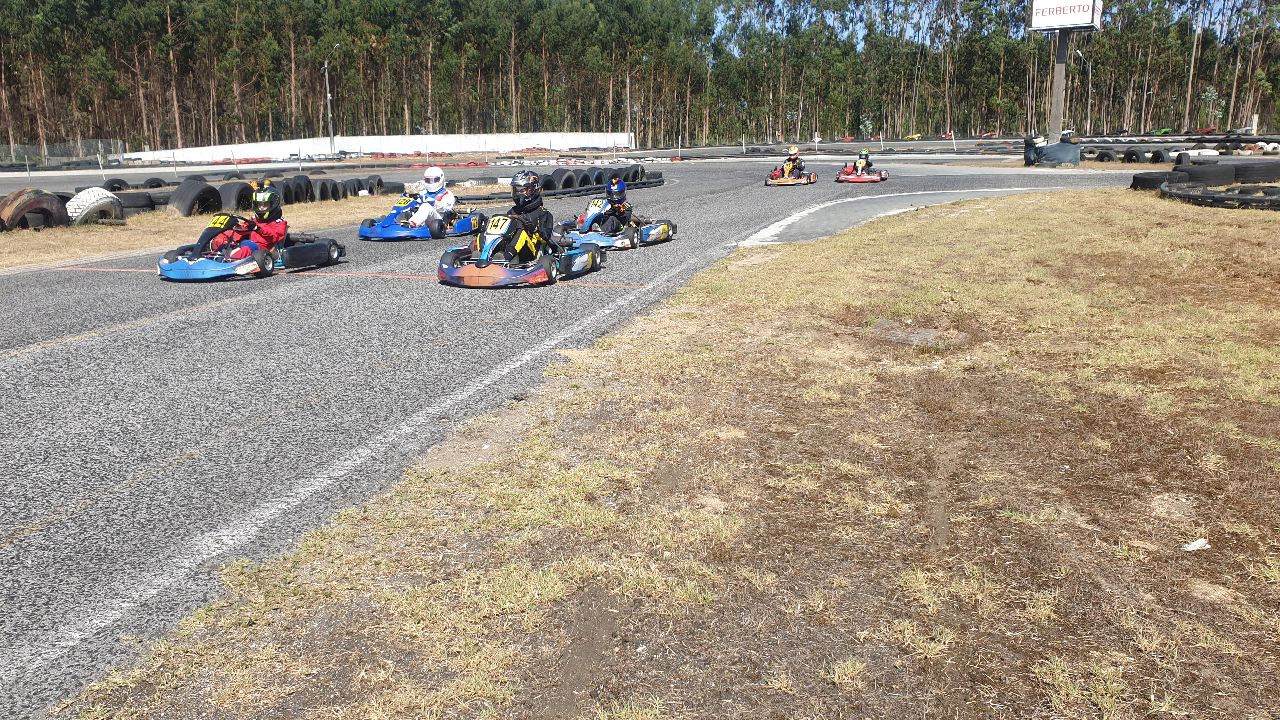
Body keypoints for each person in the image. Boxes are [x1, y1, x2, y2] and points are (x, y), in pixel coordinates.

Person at [209, 182, 288, 260]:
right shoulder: (254, 219)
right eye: (259, 205)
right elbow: (242, 231)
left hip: (263, 251)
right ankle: (211, 256)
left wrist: (257, 228)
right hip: (248, 245)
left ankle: (228, 259)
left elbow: (273, 236)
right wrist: (232, 230)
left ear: (273, 204)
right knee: (222, 240)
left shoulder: (280, 223)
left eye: (265, 205)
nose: (261, 208)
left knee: (246, 248)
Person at [508, 170, 558, 252]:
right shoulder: (513, 211)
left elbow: (547, 238)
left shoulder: (543, 213)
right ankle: (483, 257)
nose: (518, 194)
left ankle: (506, 257)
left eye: (522, 190)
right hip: (512, 249)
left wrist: (534, 229)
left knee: (521, 232)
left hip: (533, 252)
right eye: (516, 191)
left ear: (532, 189)